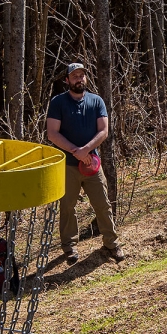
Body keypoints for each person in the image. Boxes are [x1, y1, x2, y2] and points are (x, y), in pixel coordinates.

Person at [46, 62, 124, 263]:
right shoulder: (58, 102)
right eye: (74, 76)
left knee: (103, 204)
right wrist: (75, 151)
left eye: (82, 75)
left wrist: (86, 151)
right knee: (67, 207)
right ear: (67, 80)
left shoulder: (96, 101)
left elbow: (104, 131)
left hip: (92, 164)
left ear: (86, 78)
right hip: (67, 165)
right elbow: (52, 134)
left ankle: (111, 243)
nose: (79, 79)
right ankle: (69, 247)